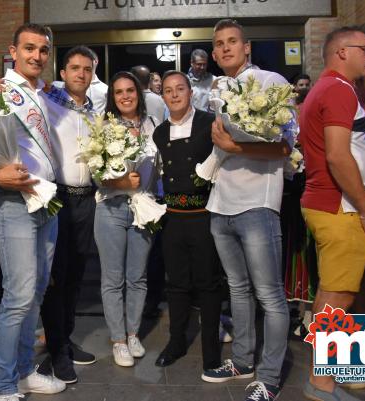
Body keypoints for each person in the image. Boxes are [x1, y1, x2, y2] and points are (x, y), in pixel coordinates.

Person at [0, 23, 67, 401]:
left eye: (43, 50)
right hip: (13, 202)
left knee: (37, 292)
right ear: (13, 51)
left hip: (46, 201)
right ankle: (5, 385)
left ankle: (25, 371)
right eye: (29, 49)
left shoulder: (42, 95)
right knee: (18, 295)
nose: (37, 56)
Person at [201, 19, 295, 401]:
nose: (225, 49)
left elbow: (285, 147)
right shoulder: (215, 89)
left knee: (270, 295)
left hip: (257, 202)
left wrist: (237, 148)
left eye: (232, 42)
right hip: (220, 202)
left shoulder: (270, 82)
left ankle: (270, 379)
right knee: (237, 290)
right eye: (219, 44)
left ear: (247, 47)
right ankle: (242, 361)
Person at [299, 26, 365, 401]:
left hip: (331, 204)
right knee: (337, 298)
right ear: (343, 52)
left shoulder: (330, 88)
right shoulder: (338, 89)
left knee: (339, 291)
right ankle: (322, 383)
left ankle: (349, 369)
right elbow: (337, 154)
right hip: (340, 206)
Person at [152, 70, 224, 377]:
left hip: (204, 215)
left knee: (208, 285)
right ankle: (176, 343)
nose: (174, 94)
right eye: (168, 90)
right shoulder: (159, 133)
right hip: (173, 218)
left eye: (179, 88)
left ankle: (211, 351)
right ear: (163, 96)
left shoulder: (210, 124)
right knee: (177, 284)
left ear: (190, 92)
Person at [37, 45, 98, 384]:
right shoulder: (48, 102)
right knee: (55, 277)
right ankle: (56, 350)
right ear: (62, 73)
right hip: (57, 197)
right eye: (74, 68)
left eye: (86, 69)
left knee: (76, 275)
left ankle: (66, 338)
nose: (80, 74)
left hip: (86, 198)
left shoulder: (94, 111)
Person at [94, 71, 159, 367]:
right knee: (112, 278)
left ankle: (133, 333)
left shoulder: (152, 125)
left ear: (138, 93)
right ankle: (118, 339)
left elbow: (158, 170)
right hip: (111, 208)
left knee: (138, 277)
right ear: (112, 97)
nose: (125, 96)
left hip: (143, 208)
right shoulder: (104, 128)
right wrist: (121, 183)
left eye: (130, 90)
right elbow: (96, 175)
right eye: (118, 92)